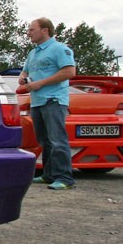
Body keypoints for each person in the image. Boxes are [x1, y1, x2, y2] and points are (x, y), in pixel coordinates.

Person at [18, 17, 76, 190]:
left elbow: (69, 72)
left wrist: (41, 83)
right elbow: (25, 71)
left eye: (32, 29)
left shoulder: (59, 49)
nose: (28, 33)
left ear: (45, 30)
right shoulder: (33, 53)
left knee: (57, 139)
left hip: (53, 100)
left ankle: (65, 178)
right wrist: (22, 77)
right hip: (37, 101)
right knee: (45, 141)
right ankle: (49, 175)